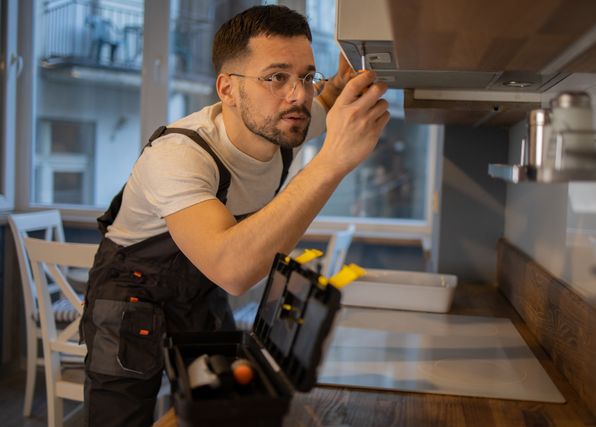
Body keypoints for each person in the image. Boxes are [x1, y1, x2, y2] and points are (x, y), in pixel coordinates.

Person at [80, 5, 389, 426]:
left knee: (222, 407)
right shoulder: (179, 155)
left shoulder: (284, 124)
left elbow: (327, 102)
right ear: (227, 88)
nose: (298, 94)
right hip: (131, 292)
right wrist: (332, 161)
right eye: (276, 77)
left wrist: (337, 81)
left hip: (197, 286)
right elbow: (232, 269)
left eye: (306, 76)